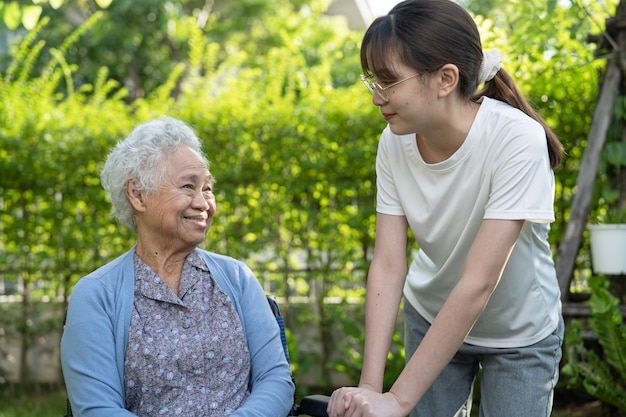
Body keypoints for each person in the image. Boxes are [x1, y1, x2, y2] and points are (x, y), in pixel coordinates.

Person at [327, 1, 565, 416]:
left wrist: (399, 400)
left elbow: (478, 282)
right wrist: (369, 389)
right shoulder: (394, 141)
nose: (376, 98)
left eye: (388, 82)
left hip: (519, 334)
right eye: (372, 81)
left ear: (445, 79)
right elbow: (387, 264)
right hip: (433, 318)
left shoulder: (516, 140)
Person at [61, 117, 295, 417]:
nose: (204, 203)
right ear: (138, 194)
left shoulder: (237, 279)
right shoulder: (97, 295)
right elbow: (98, 409)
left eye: (207, 188)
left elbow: (276, 382)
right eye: (188, 186)